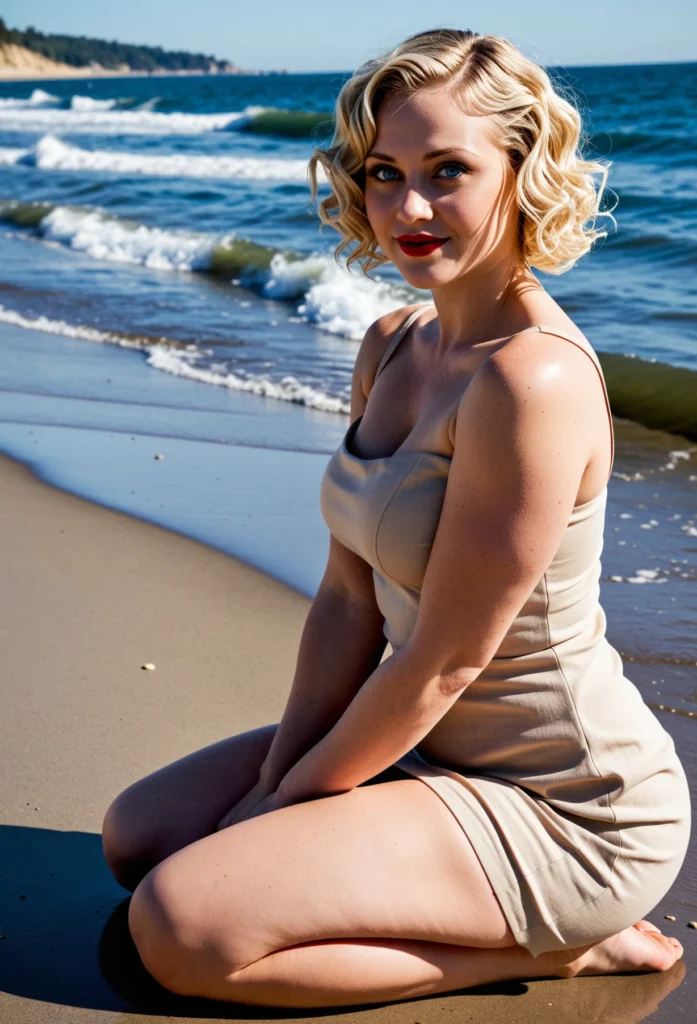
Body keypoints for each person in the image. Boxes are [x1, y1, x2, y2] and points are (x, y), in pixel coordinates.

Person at [101, 28, 691, 1008]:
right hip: (424, 747)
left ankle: (559, 948)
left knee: (180, 928)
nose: (407, 208)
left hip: (568, 805)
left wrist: (278, 808)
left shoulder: (531, 381)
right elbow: (347, 601)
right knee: (139, 838)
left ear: (521, 173)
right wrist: (279, 777)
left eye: (446, 171)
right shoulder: (390, 345)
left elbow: (443, 662)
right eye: (384, 173)